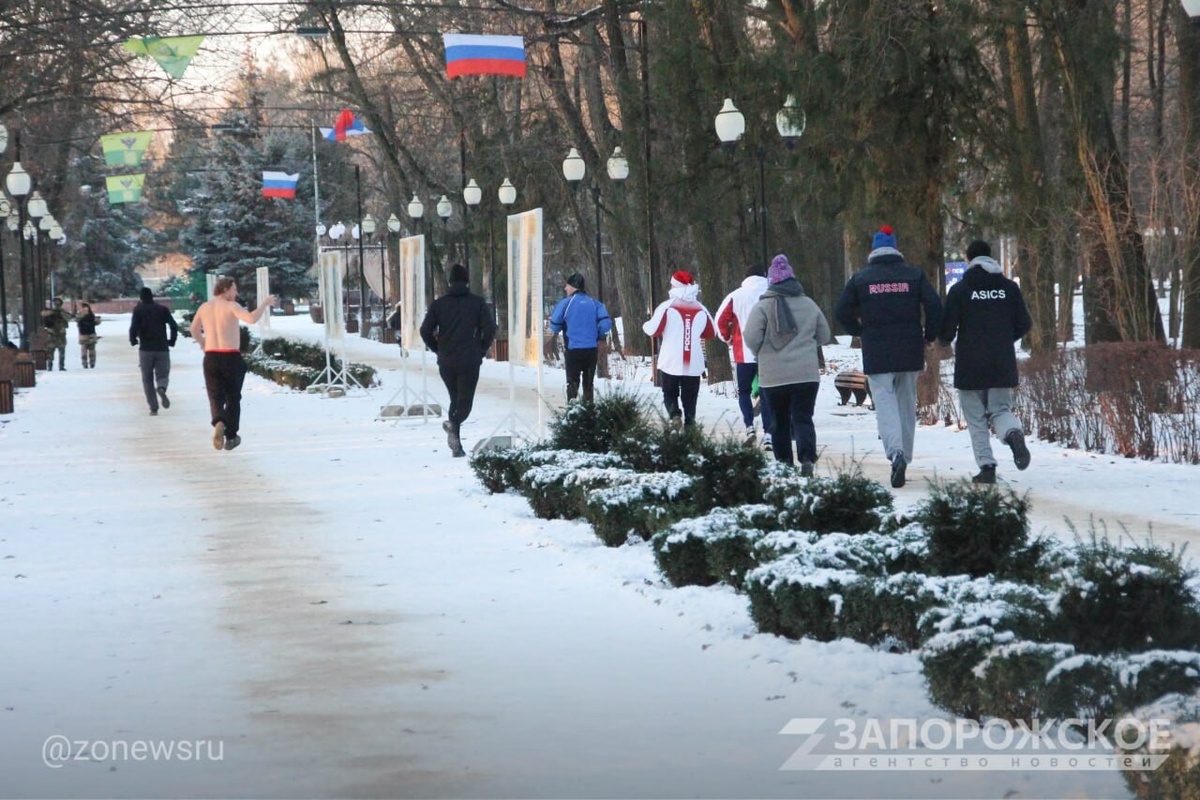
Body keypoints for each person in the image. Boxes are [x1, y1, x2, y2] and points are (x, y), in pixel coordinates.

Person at [835, 225, 942, 488]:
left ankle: (896, 455)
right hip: (909, 348)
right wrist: (929, 335)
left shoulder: (861, 279)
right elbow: (935, 305)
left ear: (873, 251)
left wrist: (859, 331)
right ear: (896, 249)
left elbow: (841, 311)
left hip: (877, 349)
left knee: (884, 402)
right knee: (906, 402)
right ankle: (905, 452)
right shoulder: (913, 276)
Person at [938, 239, 1033, 484]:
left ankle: (987, 466)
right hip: (1001, 360)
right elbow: (1024, 323)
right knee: (1001, 410)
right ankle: (1013, 434)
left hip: (970, 363)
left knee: (976, 418)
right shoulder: (1009, 288)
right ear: (991, 258)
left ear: (969, 260)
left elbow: (947, 330)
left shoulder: (960, 290)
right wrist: (1003, 340)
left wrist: (943, 340)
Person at [743, 255, 831, 476]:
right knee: (803, 418)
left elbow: (751, 337)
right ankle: (807, 458)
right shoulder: (809, 304)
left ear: (772, 282)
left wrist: (762, 352)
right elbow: (824, 335)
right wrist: (805, 346)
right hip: (806, 376)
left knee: (779, 420)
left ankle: (784, 464)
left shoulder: (762, 307)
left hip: (774, 377)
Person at [420, 263, 497, 457]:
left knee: (455, 399)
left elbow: (424, 330)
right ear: (467, 281)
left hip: (446, 360)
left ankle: (457, 446)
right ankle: (453, 425)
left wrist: (437, 349)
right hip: (469, 359)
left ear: (450, 281)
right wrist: (481, 349)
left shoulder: (439, 304)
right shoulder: (477, 303)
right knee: (465, 402)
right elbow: (490, 328)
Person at [190, 277, 274, 450]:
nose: (236, 293)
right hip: (230, 357)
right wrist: (264, 304)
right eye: (234, 289)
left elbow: (193, 329)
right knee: (233, 397)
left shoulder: (205, 307)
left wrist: (203, 343)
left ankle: (219, 420)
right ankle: (231, 436)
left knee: (214, 395)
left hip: (211, 357)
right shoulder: (231, 306)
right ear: (226, 289)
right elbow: (251, 319)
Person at [643, 270, 716, 428]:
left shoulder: (667, 307)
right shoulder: (700, 308)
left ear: (674, 286)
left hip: (671, 361)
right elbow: (712, 332)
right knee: (690, 397)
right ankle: (690, 425)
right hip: (693, 363)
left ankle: (675, 414)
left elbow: (652, 330)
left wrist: (645, 324)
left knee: (669, 393)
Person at [716, 264, 774, 448]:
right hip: (769, 353)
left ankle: (749, 426)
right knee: (766, 394)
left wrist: (727, 337)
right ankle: (769, 434)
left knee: (744, 392)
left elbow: (720, 320)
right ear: (764, 275)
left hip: (744, 352)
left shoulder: (735, 295)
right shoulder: (772, 294)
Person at [548, 272, 612, 404]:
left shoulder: (565, 304)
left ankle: (572, 412)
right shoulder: (595, 303)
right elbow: (606, 324)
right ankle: (588, 410)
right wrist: (597, 334)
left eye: (567, 286)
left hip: (573, 349)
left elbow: (554, 325)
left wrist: (561, 327)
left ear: (573, 286)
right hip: (591, 350)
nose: (565, 289)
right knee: (588, 384)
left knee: (572, 382)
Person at [130, 287, 179, 416]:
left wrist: (133, 340)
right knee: (163, 375)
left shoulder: (138, 310)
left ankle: (153, 407)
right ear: (152, 296)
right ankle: (162, 387)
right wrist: (172, 340)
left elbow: (133, 327)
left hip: (145, 349)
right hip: (162, 348)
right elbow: (174, 326)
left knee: (147, 379)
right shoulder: (162, 309)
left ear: (141, 297)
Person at [41, 297, 71, 371]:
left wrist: (61, 313)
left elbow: (68, 317)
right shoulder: (50, 311)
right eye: (55, 303)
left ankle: (61, 366)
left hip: (61, 334)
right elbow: (43, 314)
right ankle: (50, 366)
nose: (57, 304)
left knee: (62, 352)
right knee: (50, 351)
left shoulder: (63, 312)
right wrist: (53, 312)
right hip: (52, 334)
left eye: (58, 303)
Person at [76, 302, 101, 369]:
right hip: (83, 335)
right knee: (84, 352)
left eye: (86, 307)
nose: (85, 309)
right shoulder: (80, 315)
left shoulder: (91, 315)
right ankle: (85, 364)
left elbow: (96, 322)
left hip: (91, 335)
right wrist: (83, 315)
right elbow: (77, 319)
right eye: (83, 307)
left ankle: (92, 363)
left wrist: (97, 319)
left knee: (92, 352)